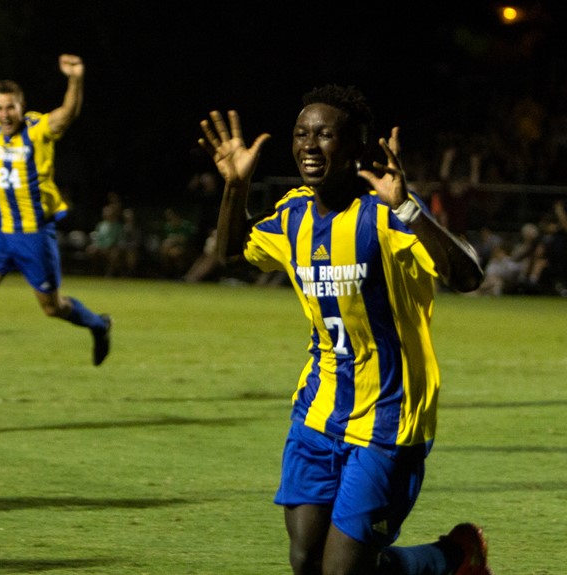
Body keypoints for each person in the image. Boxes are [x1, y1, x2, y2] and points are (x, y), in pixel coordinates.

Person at [198, 85, 492, 575]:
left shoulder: (386, 215)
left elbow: (469, 275)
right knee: (306, 559)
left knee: (343, 572)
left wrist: (410, 208)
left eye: (325, 135)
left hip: (389, 418)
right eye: (301, 134)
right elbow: (230, 250)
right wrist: (235, 185)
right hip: (319, 409)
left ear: (357, 146)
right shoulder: (293, 215)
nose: (310, 145)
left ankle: (452, 558)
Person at [0, 50, 112, 398]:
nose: (4, 114)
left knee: (53, 307)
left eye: (10, 107)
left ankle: (98, 324)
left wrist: (75, 80)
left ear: (22, 107)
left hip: (35, 236)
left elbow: (66, 115)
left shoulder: (38, 129)